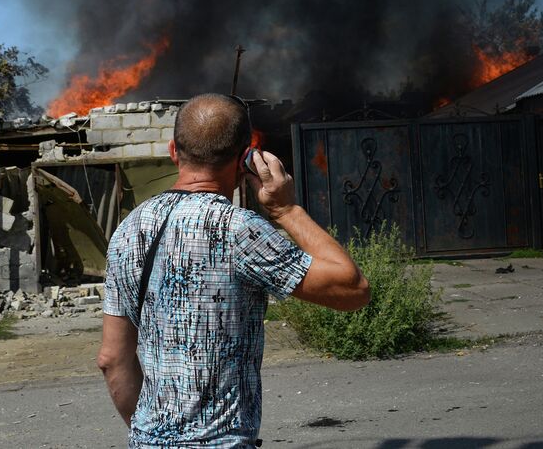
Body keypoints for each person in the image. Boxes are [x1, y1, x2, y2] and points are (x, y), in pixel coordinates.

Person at [97, 93, 370, 448]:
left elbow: (111, 358)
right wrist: (287, 211)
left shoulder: (129, 229)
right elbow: (353, 290)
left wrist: (153, 434)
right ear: (246, 158)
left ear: (173, 151)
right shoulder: (240, 230)